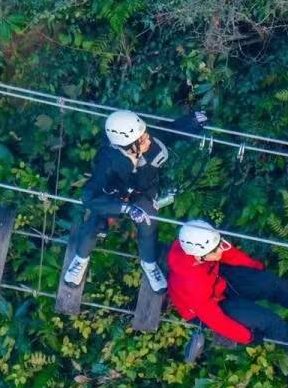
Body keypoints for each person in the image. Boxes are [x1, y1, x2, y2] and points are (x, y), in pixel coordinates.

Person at [168, 219, 288, 370]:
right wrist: (245, 337)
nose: (220, 249)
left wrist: (257, 272)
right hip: (207, 308)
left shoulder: (201, 245)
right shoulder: (192, 281)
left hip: (217, 280)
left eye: (219, 244)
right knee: (268, 321)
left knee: (272, 283)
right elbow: (214, 318)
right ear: (199, 256)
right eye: (215, 249)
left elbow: (229, 254)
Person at [64, 108, 209, 291]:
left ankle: (149, 264)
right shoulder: (107, 162)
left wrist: (193, 121)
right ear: (127, 145)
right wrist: (124, 208)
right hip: (113, 197)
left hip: (142, 193)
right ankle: (80, 259)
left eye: (145, 134)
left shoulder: (149, 140)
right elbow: (89, 197)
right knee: (94, 224)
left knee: (149, 223)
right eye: (142, 139)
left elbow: (172, 131)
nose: (148, 139)